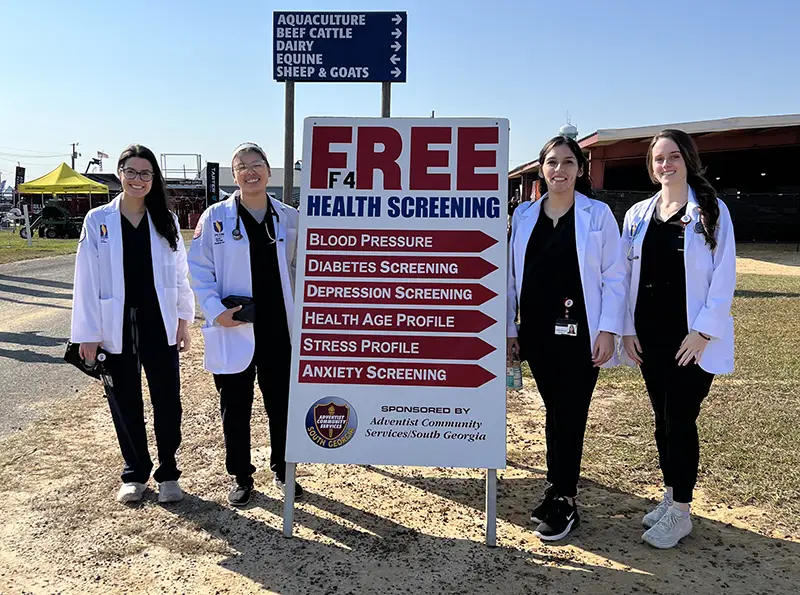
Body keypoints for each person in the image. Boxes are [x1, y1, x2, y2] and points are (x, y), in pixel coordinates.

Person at [507, 135, 626, 541]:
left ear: (580, 169)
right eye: (552, 162)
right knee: (553, 411)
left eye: (568, 162)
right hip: (537, 334)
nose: (560, 170)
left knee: (570, 413)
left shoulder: (598, 215)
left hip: (583, 335)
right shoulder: (523, 216)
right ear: (541, 169)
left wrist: (608, 329)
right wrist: (511, 328)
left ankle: (566, 499)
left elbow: (615, 277)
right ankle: (556, 486)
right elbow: (509, 279)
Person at [621, 129, 735, 549]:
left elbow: (724, 276)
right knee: (660, 419)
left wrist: (704, 331)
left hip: (691, 337)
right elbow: (624, 276)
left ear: (688, 160)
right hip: (649, 334)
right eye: (657, 159)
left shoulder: (711, 210)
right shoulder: (637, 214)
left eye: (672, 157)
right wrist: (628, 329)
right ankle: (670, 495)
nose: (665, 164)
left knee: (679, 420)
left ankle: (682, 511)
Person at [71, 144, 194, 504]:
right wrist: (88, 334)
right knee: (124, 399)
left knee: (167, 399)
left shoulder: (166, 219)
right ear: (120, 174)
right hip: (114, 323)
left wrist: (184, 320)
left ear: (154, 179)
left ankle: (169, 472)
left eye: (145, 174)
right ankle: (135, 472)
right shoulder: (98, 221)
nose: (138, 180)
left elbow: (180, 275)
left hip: (159, 319)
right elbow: (86, 280)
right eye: (131, 172)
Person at [188, 143, 301, 506]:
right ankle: (240, 474)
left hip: (279, 328)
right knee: (234, 406)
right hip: (234, 324)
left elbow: (305, 269)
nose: (250, 172)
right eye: (241, 167)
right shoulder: (215, 217)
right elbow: (199, 270)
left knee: (282, 404)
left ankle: (284, 470)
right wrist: (214, 310)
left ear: (269, 171)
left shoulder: (290, 217)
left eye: (256, 165)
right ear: (234, 175)